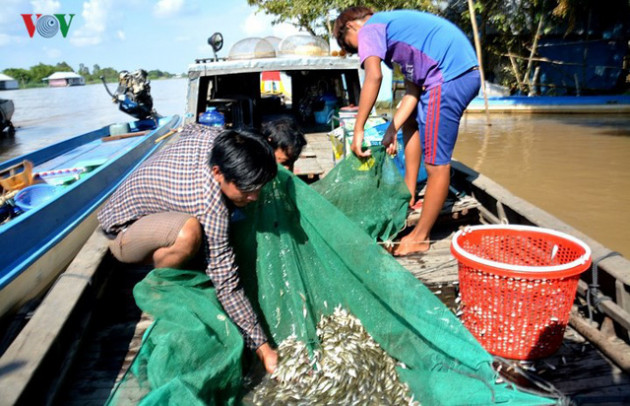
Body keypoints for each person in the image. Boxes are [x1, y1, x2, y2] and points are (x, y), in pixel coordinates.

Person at [97, 123, 279, 373]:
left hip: (156, 207)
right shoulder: (208, 205)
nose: (255, 196)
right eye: (247, 190)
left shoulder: (220, 138)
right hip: (122, 232)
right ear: (217, 172)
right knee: (188, 232)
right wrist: (264, 349)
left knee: (210, 227)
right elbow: (226, 283)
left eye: (258, 187)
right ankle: (164, 291)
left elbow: (191, 127)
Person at [334, 7, 480, 256]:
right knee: (410, 122)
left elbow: (373, 76)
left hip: (448, 78)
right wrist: (392, 128)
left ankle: (421, 236)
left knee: (436, 164)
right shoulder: (396, 37)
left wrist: (358, 129)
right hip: (458, 75)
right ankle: (409, 192)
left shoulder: (371, 27)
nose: (362, 53)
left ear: (351, 27)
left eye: (355, 48)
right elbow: (413, 92)